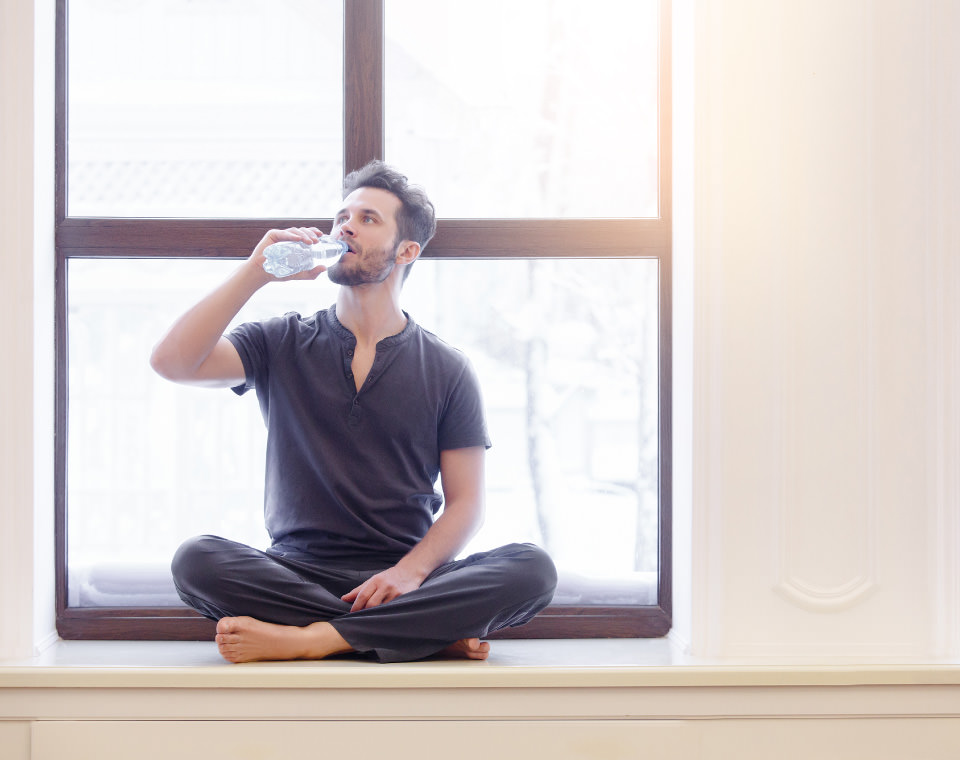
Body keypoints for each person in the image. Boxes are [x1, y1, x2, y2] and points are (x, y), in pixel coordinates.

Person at [150, 160, 557, 664]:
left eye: (368, 219)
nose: (345, 226)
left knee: (532, 569)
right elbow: (171, 362)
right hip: (298, 572)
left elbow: (466, 504)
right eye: (342, 216)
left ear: (406, 250)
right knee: (197, 560)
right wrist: (257, 272)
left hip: (403, 577)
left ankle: (315, 639)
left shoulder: (449, 368)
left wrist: (408, 575)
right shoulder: (280, 341)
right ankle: (420, 634)